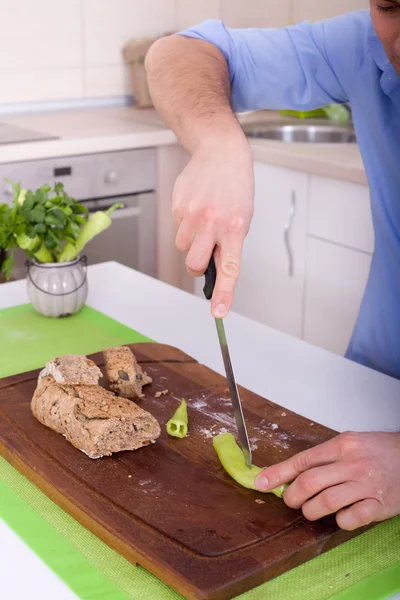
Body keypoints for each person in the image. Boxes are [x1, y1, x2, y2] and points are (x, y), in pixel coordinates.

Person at [145, 4, 400, 531]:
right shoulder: (364, 44)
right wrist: (217, 141)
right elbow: (178, 51)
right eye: (391, 8)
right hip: (367, 390)